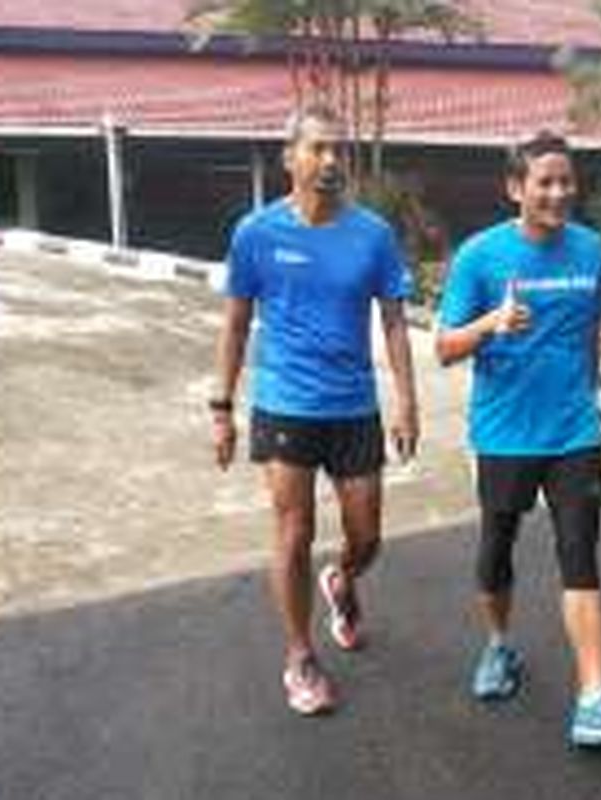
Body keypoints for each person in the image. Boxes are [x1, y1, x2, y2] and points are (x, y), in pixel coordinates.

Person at [435, 131, 601, 749]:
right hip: (504, 432)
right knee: (496, 551)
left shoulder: (591, 249)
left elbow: (588, 332)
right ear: (516, 189)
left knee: (579, 553)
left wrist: (590, 401)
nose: (559, 193)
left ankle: (594, 701)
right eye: (545, 182)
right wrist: (490, 324)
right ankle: (499, 646)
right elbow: (445, 348)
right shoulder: (481, 257)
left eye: (566, 181)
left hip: (573, 431)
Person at [212, 105, 420, 715]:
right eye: (318, 149)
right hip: (285, 403)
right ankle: (300, 654)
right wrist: (221, 407)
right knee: (293, 530)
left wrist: (406, 401)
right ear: (289, 157)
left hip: (354, 405)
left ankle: (343, 579)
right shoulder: (256, 233)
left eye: (338, 151)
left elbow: (395, 321)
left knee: (368, 536)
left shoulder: (373, 235)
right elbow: (234, 323)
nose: (330, 162)